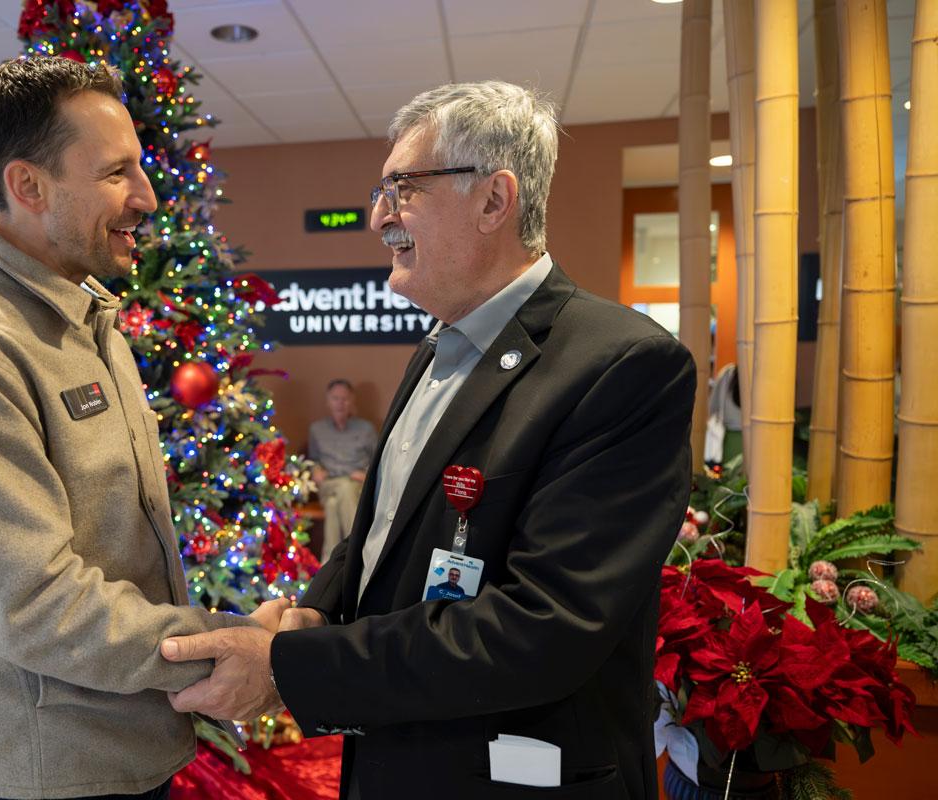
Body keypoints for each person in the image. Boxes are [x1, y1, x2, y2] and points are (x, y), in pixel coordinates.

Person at [160, 81, 695, 799]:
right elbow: (386, 530)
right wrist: (314, 609)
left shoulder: (624, 365)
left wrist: (291, 666)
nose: (379, 216)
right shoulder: (437, 347)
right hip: (396, 761)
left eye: (401, 189)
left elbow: (543, 629)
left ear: (494, 200)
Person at [0, 57, 280, 800]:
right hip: (48, 777)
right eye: (117, 173)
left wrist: (238, 635)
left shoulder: (90, 321)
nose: (148, 198)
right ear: (28, 186)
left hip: (132, 755)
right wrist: (230, 651)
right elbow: (38, 607)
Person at [308, 379, 377, 560]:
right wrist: (315, 470)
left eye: (345, 399)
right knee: (343, 488)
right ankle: (356, 552)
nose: (340, 403)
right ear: (327, 401)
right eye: (335, 398)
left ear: (352, 401)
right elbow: (313, 460)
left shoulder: (366, 429)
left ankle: (328, 563)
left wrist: (366, 474)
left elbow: (378, 461)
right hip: (328, 484)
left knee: (334, 503)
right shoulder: (317, 429)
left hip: (357, 486)